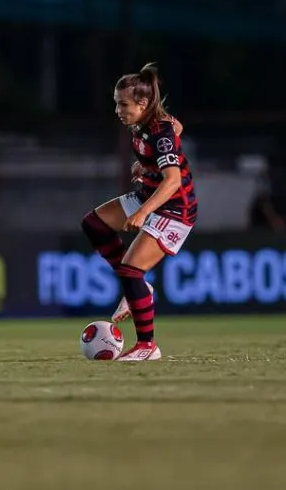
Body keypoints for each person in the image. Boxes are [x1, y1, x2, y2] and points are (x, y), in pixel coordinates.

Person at [80, 63, 197, 361]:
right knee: (94, 224)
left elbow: (172, 181)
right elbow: (177, 126)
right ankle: (137, 287)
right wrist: (146, 165)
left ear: (142, 104)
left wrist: (144, 213)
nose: (118, 110)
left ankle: (148, 346)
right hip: (149, 192)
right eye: (116, 103)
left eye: (123, 104)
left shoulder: (159, 132)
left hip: (174, 208)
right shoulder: (145, 123)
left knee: (131, 269)